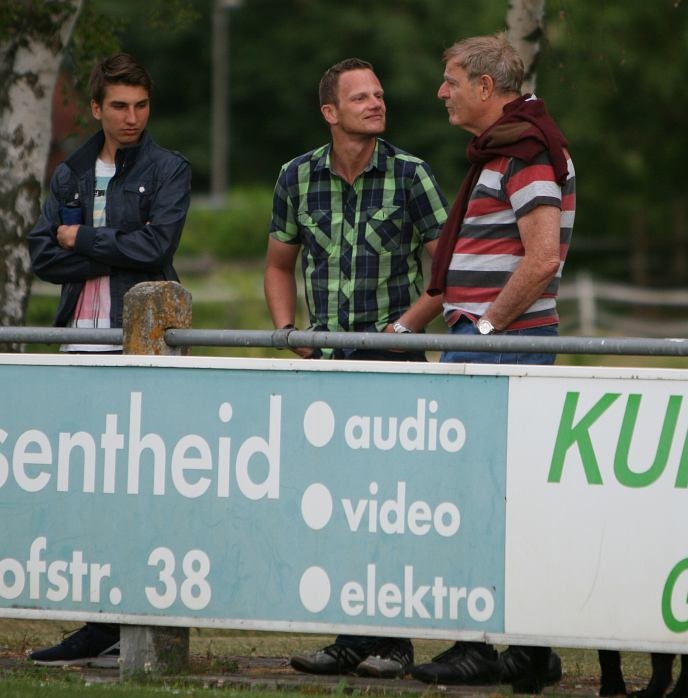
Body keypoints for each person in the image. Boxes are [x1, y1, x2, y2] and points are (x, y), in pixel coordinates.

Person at [265, 58, 448, 678]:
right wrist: (289, 331)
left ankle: (393, 642)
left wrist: (405, 329)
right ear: (330, 112)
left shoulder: (412, 176)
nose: (377, 103)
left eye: (380, 93)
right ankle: (348, 637)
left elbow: (444, 273)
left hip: (394, 361)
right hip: (327, 364)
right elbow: (277, 264)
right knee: (337, 505)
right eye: (361, 97)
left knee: (391, 505)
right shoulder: (296, 176)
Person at [407, 34, 575, 694]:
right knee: (493, 503)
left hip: (500, 345)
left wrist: (485, 324)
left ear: (486, 86)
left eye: (450, 80)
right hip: (487, 340)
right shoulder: (508, 150)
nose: (441, 92)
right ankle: (521, 649)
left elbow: (541, 259)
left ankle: (484, 646)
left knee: (483, 503)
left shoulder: (525, 154)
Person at [26, 52, 191, 667]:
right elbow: (44, 256)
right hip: (77, 341)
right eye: (119, 106)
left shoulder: (169, 168)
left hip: (141, 340)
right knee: (87, 488)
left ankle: (134, 618)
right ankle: (98, 623)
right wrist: (111, 250)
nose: (131, 118)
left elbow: (157, 245)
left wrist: (84, 240)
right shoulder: (69, 172)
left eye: (141, 106)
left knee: (140, 484)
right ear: (96, 108)